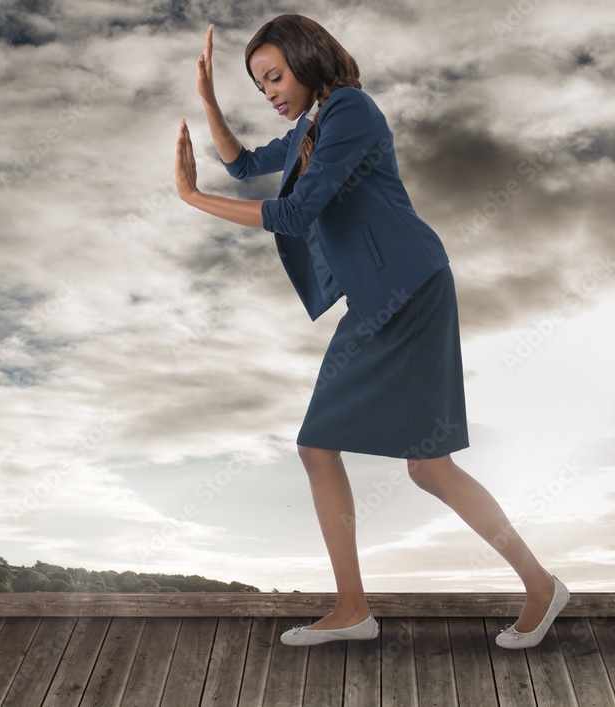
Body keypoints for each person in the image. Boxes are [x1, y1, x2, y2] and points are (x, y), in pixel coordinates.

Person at [173, 15, 568, 648]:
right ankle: (535, 586)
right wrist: (211, 104)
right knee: (426, 468)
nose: (270, 92)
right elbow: (245, 165)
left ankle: (358, 608)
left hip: (406, 290)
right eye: (259, 85)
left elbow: (296, 213)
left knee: (323, 444)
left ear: (307, 60)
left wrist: (193, 199)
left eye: (275, 76)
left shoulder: (350, 111)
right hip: (387, 294)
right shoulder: (311, 126)